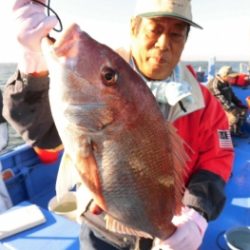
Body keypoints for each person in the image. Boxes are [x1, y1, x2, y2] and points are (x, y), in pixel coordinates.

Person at [2, 0, 234, 249]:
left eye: (176, 34)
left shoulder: (206, 103)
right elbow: (43, 133)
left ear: (185, 41)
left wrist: (195, 214)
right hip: (102, 229)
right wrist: (32, 61)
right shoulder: (99, 70)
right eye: (154, 30)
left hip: (172, 224)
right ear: (134, 29)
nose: (163, 44)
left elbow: (217, 159)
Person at [207, 65, 248, 137]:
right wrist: (231, 109)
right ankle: (225, 137)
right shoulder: (214, 84)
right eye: (230, 76)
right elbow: (220, 99)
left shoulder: (227, 82)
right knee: (233, 117)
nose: (232, 78)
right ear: (224, 75)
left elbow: (232, 95)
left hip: (226, 106)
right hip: (215, 108)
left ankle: (236, 131)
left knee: (243, 111)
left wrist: (238, 103)